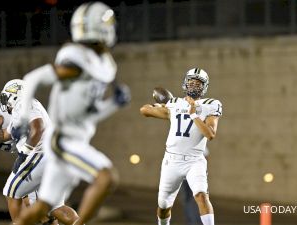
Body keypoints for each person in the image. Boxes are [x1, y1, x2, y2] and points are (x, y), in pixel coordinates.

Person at [14, 2, 130, 225]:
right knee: (106, 177)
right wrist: (21, 119)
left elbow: (90, 114)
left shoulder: (103, 63)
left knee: (41, 209)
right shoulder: (77, 61)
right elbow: (33, 78)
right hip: (63, 140)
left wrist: (113, 105)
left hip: (77, 137)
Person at [0, 79, 79, 225]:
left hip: (39, 155)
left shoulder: (17, 105)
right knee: (47, 206)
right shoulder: (18, 112)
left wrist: (24, 154)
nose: (4, 103)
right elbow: (3, 136)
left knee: (11, 192)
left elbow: (35, 126)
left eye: (6, 98)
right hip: (51, 154)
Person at [140, 68, 222, 225]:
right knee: (163, 206)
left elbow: (210, 134)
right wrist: (163, 106)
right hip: (172, 160)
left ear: (204, 87)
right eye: (191, 81)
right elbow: (144, 110)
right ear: (185, 83)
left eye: (198, 83)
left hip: (194, 160)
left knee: (201, 196)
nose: (193, 85)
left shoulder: (211, 104)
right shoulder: (174, 104)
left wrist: (193, 114)